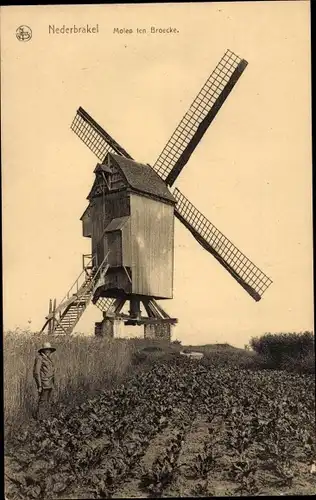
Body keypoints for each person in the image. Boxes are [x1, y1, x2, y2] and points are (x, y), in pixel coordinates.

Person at [33, 341, 56, 420]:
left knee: (46, 401)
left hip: (50, 383)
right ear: (43, 350)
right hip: (44, 383)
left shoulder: (48, 358)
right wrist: (39, 385)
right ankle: (40, 419)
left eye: (49, 349)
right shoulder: (39, 358)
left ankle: (44, 418)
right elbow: (36, 372)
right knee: (42, 401)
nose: (48, 351)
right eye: (46, 349)